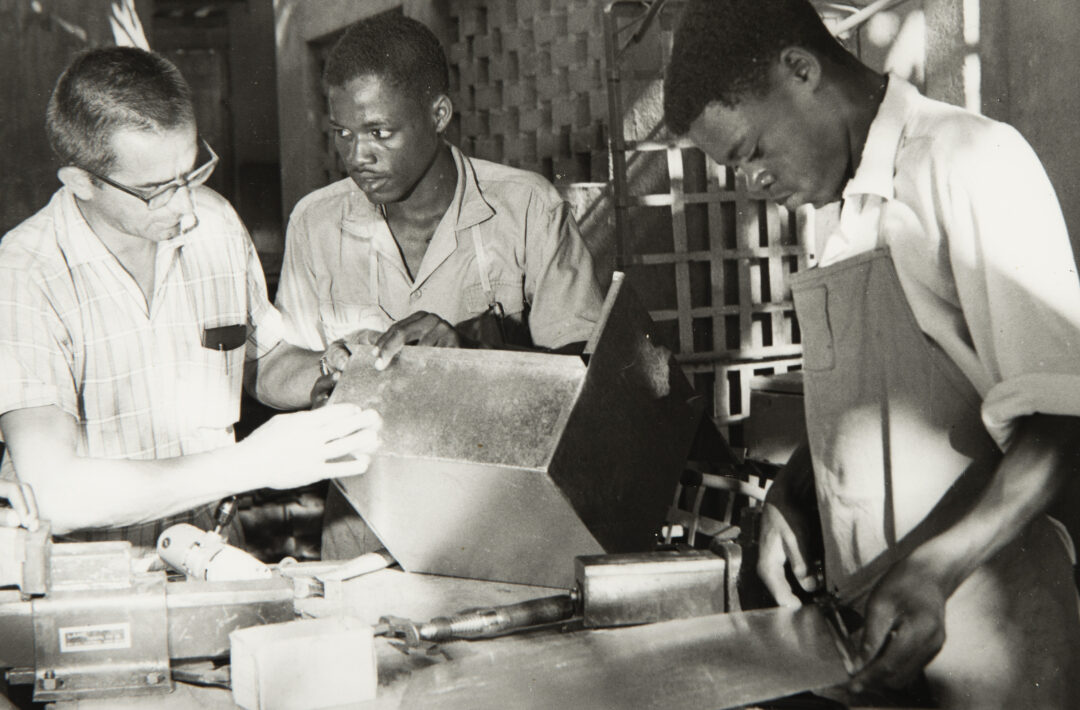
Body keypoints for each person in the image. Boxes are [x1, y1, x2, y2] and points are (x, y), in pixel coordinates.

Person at [664, 1, 1080, 707]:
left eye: (752, 152)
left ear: (801, 69)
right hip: (882, 627)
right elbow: (875, 394)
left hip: (991, 627)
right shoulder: (834, 205)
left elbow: (1063, 418)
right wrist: (791, 497)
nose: (751, 183)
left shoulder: (967, 161)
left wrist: (937, 568)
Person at [0, 47, 380, 558]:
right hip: (84, 576)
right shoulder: (27, 271)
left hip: (210, 551)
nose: (185, 207)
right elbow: (55, 492)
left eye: (191, 173)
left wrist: (331, 367)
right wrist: (254, 464)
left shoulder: (216, 225)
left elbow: (262, 361)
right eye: (156, 190)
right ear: (81, 181)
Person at [274, 14, 604, 558]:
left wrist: (468, 352)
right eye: (344, 134)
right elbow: (276, 371)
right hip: (361, 527)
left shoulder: (525, 208)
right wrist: (329, 368)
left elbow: (583, 377)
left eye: (379, 133)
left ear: (439, 114)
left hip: (499, 519)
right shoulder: (316, 221)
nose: (357, 156)